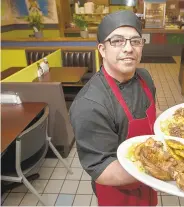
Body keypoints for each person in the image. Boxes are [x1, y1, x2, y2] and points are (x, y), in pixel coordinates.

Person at [69, 10, 160, 206]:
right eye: (117, 41)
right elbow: (102, 169)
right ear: (102, 49)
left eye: (135, 41)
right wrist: (160, 170)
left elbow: (154, 115)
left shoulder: (145, 77)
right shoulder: (90, 104)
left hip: (149, 182)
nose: (129, 48)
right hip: (118, 192)